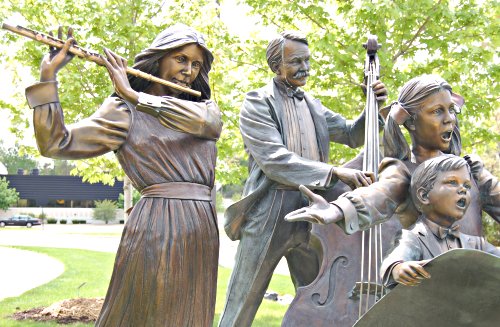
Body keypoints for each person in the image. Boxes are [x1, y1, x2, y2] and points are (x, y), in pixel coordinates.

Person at [25, 24, 222, 326]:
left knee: (193, 313)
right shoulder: (123, 111)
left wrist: (135, 95)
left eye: (196, 64)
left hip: (202, 226)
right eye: (181, 59)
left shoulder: (201, 109)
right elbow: (55, 143)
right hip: (160, 223)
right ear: (159, 59)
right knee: (148, 310)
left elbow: (211, 124)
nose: (189, 70)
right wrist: (48, 78)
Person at [220, 31, 387, 327]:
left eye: (307, 61)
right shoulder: (257, 102)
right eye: (295, 61)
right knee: (244, 299)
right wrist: (334, 172)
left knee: (317, 299)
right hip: (271, 209)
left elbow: (351, 134)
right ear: (276, 65)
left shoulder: (313, 104)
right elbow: (274, 160)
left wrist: (372, 108)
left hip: (313, 210)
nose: (304, 68)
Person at [285, 75, 500, 237]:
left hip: (474, 282)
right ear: (411, 121)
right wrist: (338, 209)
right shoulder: (403, 171)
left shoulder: (472, 170)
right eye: (437, 111)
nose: (449, 119)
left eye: (451, 110)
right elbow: (378, 195)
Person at [380, 154, 500, 288]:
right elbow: (394, 260)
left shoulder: (477, 244)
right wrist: (398, 268)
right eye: (452, 182)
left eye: (467, 186)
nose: (462, 190)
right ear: (424, 195)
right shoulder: (413, 237)